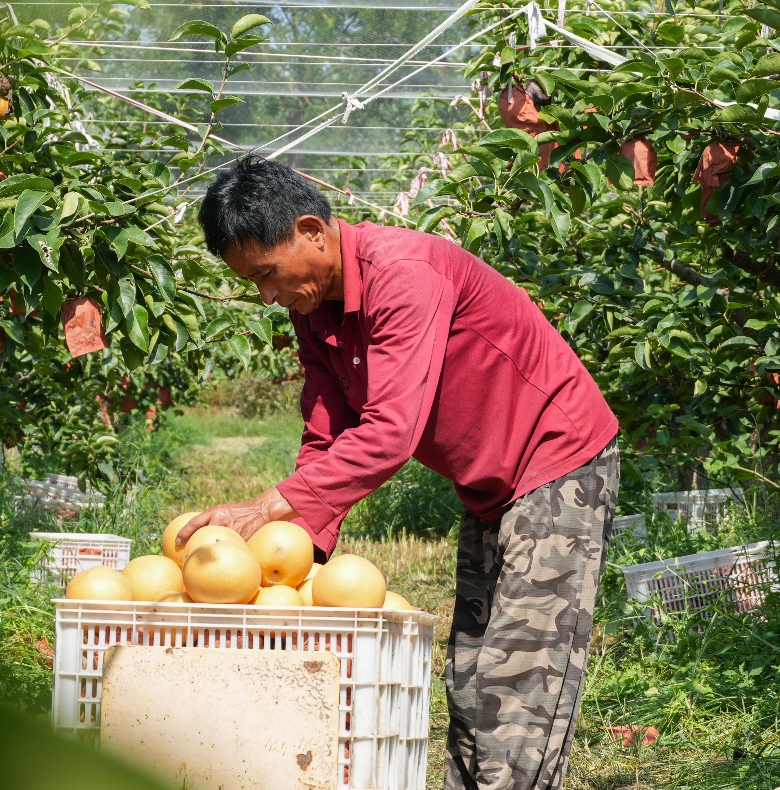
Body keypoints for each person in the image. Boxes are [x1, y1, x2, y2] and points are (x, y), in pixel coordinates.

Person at [176, 156, 619, 790]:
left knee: (519, 684)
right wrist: (307, 554)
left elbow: (389, 434)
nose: (267, 296)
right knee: (470, 677)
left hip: (557, 462)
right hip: (491, 484)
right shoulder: (314, 308)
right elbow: (326, 434)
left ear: (311, 229)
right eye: (252, 282)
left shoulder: (403, 275)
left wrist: (266, 507)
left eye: (268, 274)